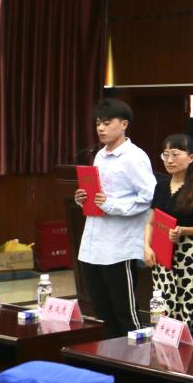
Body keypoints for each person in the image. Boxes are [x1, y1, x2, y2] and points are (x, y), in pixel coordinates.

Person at [74, 98, 157, 337]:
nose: (100, 128)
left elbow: (148, 197)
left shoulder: (134, 156)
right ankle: (108, 355)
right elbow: (100, 193)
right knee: (102, 310)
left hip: (119, 246)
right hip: (94, 244)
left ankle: (136, 356)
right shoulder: (100, 155)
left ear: (124, 124)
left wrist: (111, 205)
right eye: (97, 123)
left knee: (125, 312)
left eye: (107, 123)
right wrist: (83, 197)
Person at [142, 133, 193, 339]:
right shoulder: (161, 186)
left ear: (191, 157)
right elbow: (151, 222)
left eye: (175, 154)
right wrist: (146, 247)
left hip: (191, 256)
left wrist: (184, 231)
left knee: (191, 306)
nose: (169, 160)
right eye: (165, 155)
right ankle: (165, 347)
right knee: (164, 305)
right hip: (163, 255)